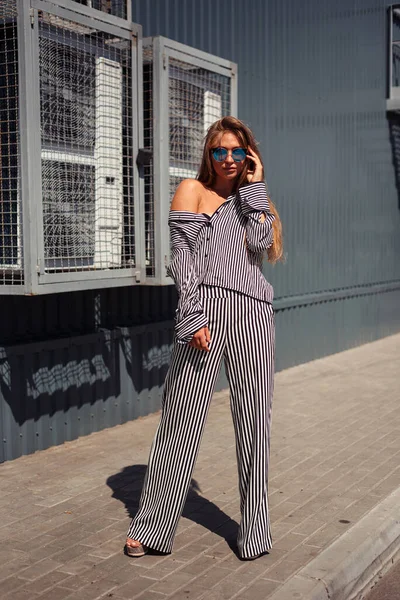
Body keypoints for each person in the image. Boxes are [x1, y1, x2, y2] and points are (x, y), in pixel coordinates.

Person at [125, 116, 283, 560]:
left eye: (238, 152)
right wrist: (191, 317)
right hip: (206, 313)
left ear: (249, 156)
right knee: (180, 423)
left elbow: (260, 244)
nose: (229, 160)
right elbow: (184, 260)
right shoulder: (191, 192)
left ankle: (255, 533)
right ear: (208, 155)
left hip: (253, 316)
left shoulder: (253, 200)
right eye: (221, 151)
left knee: (255, 426)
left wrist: (256, 187)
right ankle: (153, 526)